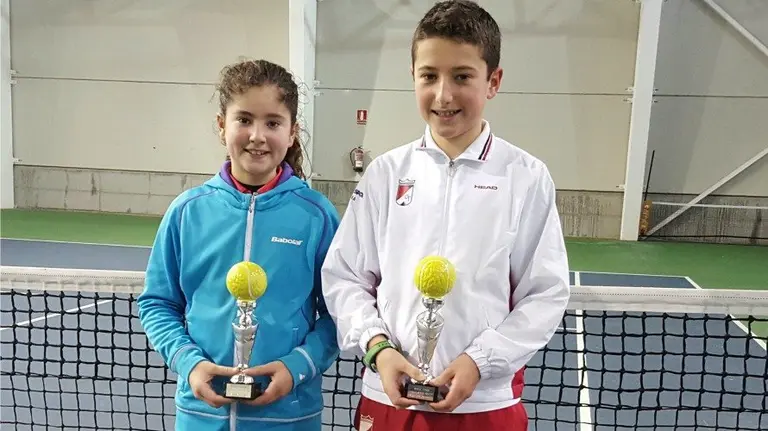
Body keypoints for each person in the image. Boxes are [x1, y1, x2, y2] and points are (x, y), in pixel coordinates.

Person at [320, 1, 570, 430]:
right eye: (429, 76)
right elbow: (345, 277)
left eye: (462, 76)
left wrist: (480, 361)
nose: (443, 95)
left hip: (485, 405)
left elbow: (544, 293)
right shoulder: (385, 173)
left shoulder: (526, 176)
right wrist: (378, 348)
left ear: (493, 81)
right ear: (413, 77)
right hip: (387, 401)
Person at [137, 59, 340, 431]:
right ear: (221, 126)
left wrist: (296, 367)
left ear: (292, 132)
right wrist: (190, 364)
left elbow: (339, 313)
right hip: (201, 417)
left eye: (273, 123)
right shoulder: (187, 212)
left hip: (289, 418)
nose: (257, 136)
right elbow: (157, 303)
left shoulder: (317, 216)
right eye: (244, 119)